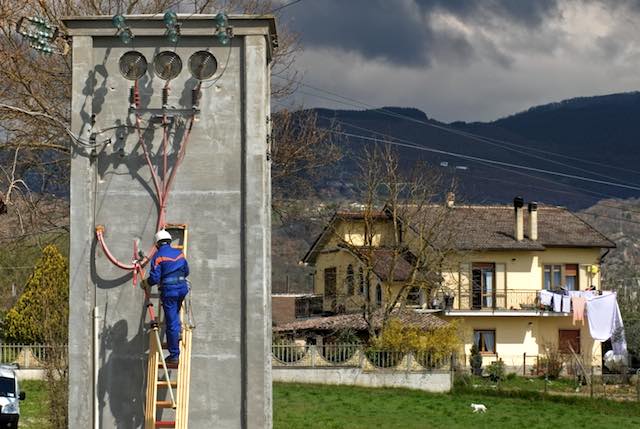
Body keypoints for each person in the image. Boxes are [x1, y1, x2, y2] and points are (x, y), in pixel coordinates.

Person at [143, 229, 189, 364]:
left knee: (171, 323)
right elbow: (186, 271)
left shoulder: (158, 257)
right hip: (182, 289)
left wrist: (146, 283)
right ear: (169, 241)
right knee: (175, 314)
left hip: (170, 292)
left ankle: (174, 355)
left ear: (157, 244)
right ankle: (177, 333)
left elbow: (155, 277)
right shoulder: (179, 253)